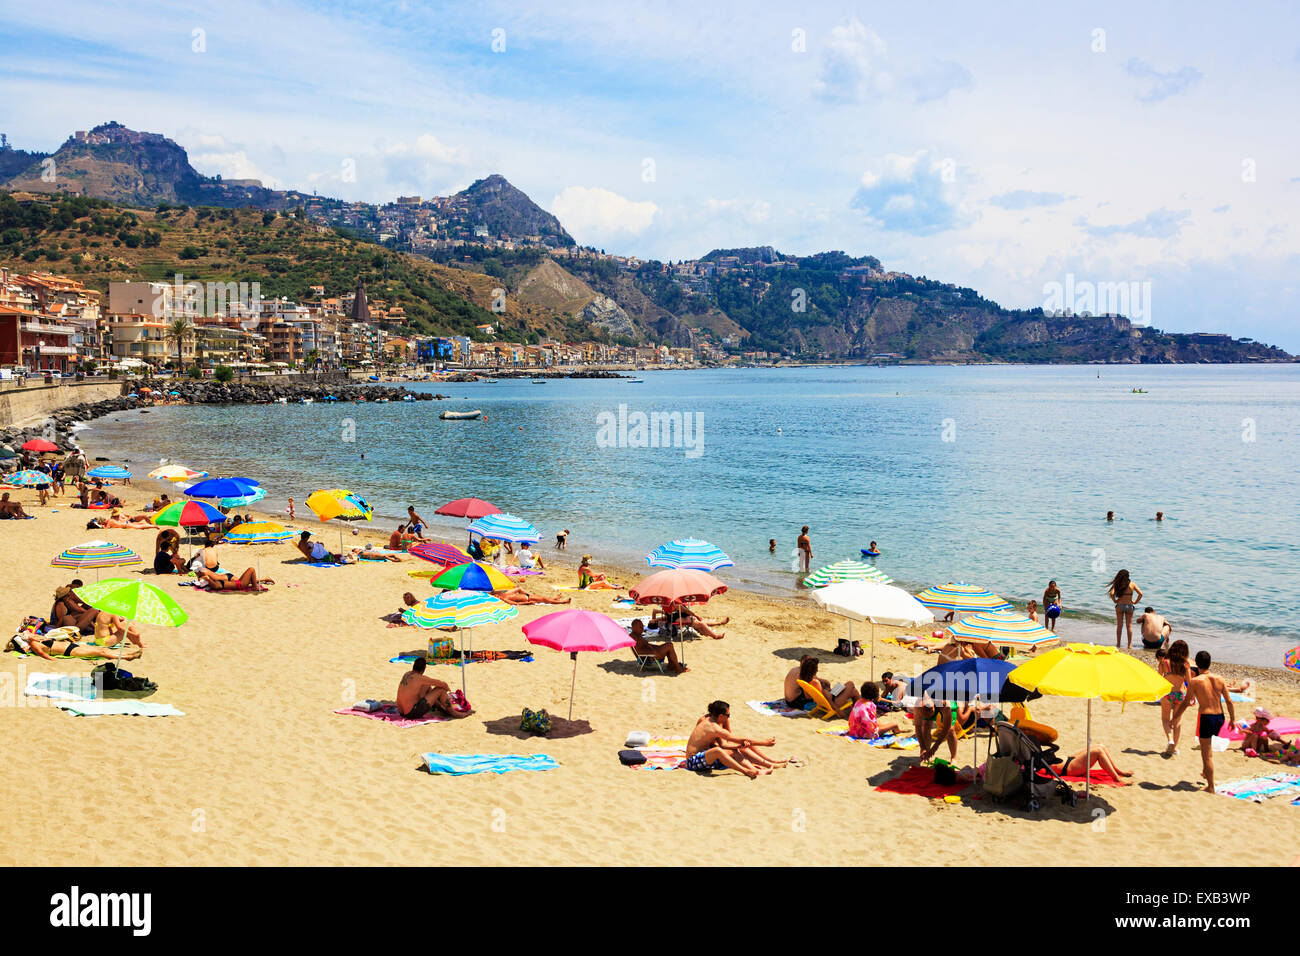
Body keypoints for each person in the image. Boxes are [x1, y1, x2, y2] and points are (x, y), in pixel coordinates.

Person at [1172, 651, 1235, 793]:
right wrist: (1232, 719)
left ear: (1197, 664)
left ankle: (1211, 787)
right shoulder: (1220, 678)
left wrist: (1175, 717)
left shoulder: (1195, 681)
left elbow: (1186, 702)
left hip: (1206, 718)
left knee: (1206, 754)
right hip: (1220, 717)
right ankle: (1206, 772)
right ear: (1209, 663)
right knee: (1208, 749)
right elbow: (1229, 701)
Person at [683, 701, 770, 778]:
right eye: (728, 715)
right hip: (692, 762)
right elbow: (737, 739)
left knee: (733, 751)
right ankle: (745, 771)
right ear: (721, 715)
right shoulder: (714, 728)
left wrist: (739, 746)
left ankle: (755, 770)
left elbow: (724, 745)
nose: (729, 718)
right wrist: (764, 743)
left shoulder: (710, 721)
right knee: (717, 751)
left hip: (704, 757)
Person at [395, 657, 465, 719]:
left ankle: (438, 706)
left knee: (426, 685)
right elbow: (443, 684)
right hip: (411, 713)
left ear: (414, 666)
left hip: (401, 712)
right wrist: (448, 690)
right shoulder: (420, 678)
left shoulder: (407, 674)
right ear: (423, 669)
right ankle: (453, 712)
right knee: (440, 689)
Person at [784, 655, 857, 712]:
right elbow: (826, 699)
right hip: (832, 702)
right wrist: (838, 711)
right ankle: (860, 709)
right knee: (850, 685)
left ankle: (858, 708)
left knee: (853, 691)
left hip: (790, 701)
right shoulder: (815, 682)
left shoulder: (799, 674)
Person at [7, 631, 142, 662]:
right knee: (101, 652)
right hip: (69, 651)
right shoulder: (35, 645)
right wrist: (55, 660)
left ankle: (127, 655)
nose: (31, 633)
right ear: (27, 639)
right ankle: (126, 657)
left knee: (102, 650)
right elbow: (44, 655)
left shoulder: (38, 641)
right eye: (29, 634)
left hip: (72, 646)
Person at [1160, 640, 1193, 756]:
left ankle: (1170, 740)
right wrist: (1191, 697)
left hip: (1167, 693)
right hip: (1180, 694)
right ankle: (1175, 748)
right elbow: (1190, 683)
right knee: (1177, 721)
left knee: (1165, 719)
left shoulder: (1164, 662)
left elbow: (1158, 678)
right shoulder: (1186, 664)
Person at [1049, 744, 1133, 784]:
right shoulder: (1036, 765)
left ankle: (1117, 771)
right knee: (1098, 752)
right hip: (1069, 768)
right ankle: (1117, 778)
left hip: (1069, 759)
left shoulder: (1036, 752)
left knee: (1100, 746)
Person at [652, 601, 727, 639]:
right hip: (679, 618)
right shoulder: (676, 605)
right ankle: (715, 636)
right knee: (701, 623)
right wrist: (696, 615)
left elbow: (655, 611)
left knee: (700, 622)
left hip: (676, 617)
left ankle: (718, 623)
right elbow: (688, 611)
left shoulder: (666, 605)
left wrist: (654, 619)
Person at [1107, 569, 1143, 648]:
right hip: (1129, 606)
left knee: (1119, 626)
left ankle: (1118, 644)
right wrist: (1135, 602)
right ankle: (1129, 644)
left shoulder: (1118, 584)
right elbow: (1141, 594)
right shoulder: (1132, 584)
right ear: (1127, 576)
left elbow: (1112, 593)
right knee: (1129, 626)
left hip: (1120, 606)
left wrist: (1115, 600)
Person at [493, 587, 570, 606]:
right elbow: (515, 604)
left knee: (543, 597)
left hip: (527, 595)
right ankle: (563, 602)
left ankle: (554, 599)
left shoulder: (503, 594)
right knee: (544, 599)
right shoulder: (504, 598)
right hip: (527, 598)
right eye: (496, 596)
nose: (496, 596)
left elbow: (517, 589)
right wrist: (528, 603)